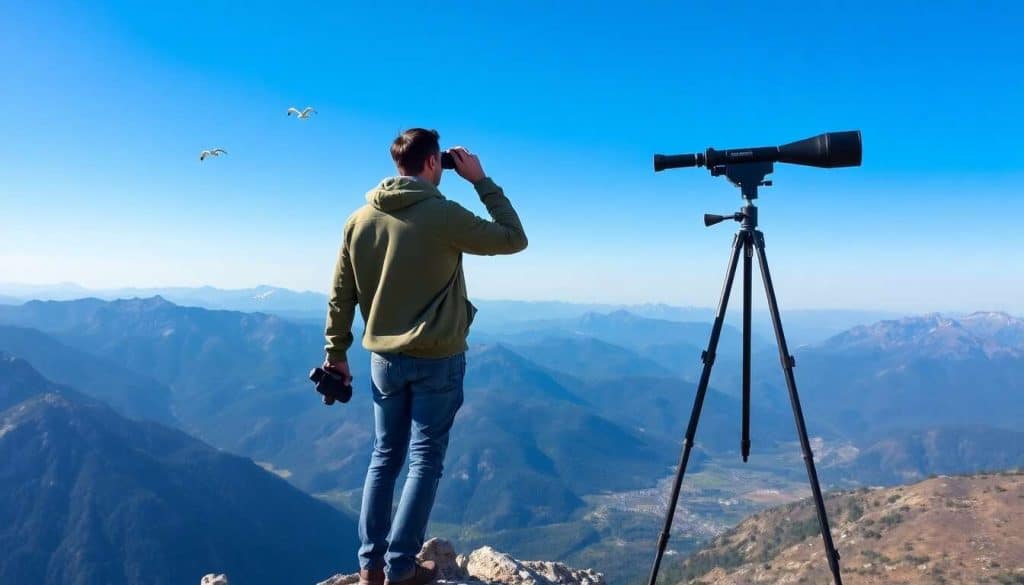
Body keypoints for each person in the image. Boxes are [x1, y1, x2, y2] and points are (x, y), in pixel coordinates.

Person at [323, 128, 528, 585]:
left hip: (383, 361)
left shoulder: (359, 220)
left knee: (384, 457)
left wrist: (336, 352)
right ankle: (401, 568)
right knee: (424, 459)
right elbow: (514, 237)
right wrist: (480, 180)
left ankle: (371, 567)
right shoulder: (443, 214)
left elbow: (341, 294)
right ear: (434, 162)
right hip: (438, 358)